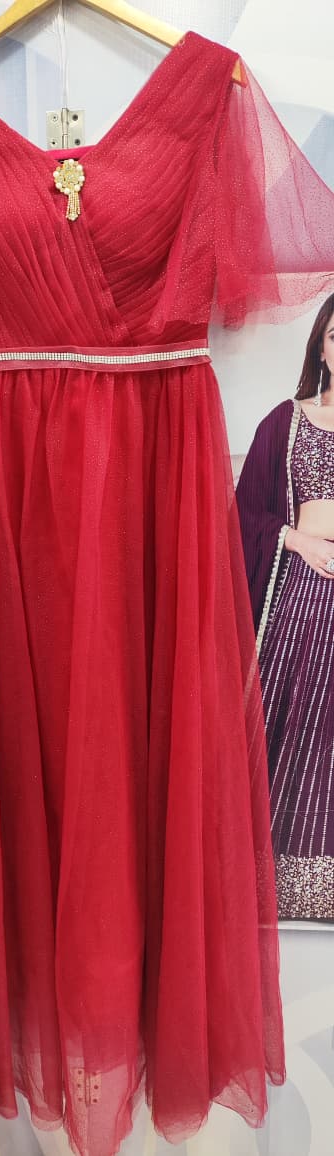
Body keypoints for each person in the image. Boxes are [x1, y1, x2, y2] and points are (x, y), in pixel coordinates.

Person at [237, 294, 334, 920]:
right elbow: (245, 510)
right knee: (295, 726)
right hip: (299, 598)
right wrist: (296, 540)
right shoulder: (285, 422)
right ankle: (283, 876)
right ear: (321, 346)